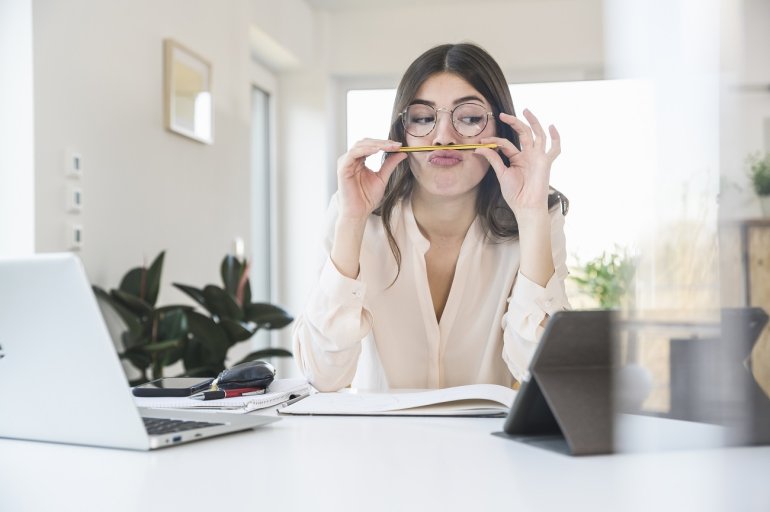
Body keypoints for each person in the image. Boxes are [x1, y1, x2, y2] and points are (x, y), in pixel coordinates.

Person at [292, 42, 570, 392]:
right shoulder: (354, 213)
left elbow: (544, 375)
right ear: (402, 132)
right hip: (379, 444)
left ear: (499, 130)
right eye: (423, 118)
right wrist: (351, 221)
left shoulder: (538, 217)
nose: (443, 138)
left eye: (468, 118)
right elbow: (323, 376)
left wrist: (530, 217)